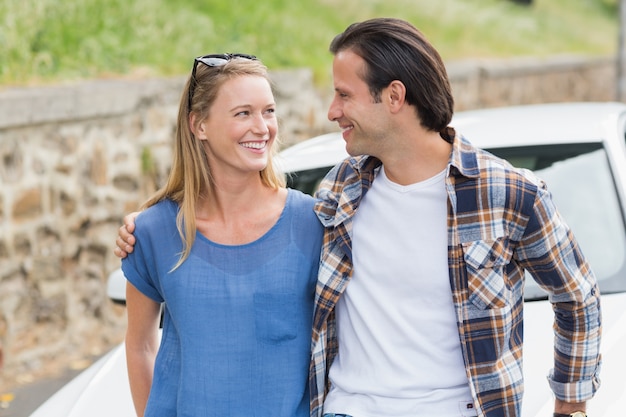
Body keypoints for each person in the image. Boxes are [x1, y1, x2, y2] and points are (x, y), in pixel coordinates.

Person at [116, 19, 602, 417]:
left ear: (393, 97)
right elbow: (238, 228)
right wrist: (149, 226)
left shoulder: (508, 194)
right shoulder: (340, 194)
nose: (331, 111)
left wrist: (569, 406)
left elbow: (578, 297)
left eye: (344, 95)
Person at [119, 53, 323, 417]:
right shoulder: (151, 232)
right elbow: (139, 347)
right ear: (199, 125)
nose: (262, 127)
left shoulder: (311, 223)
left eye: (269, 111)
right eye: (243, 113)